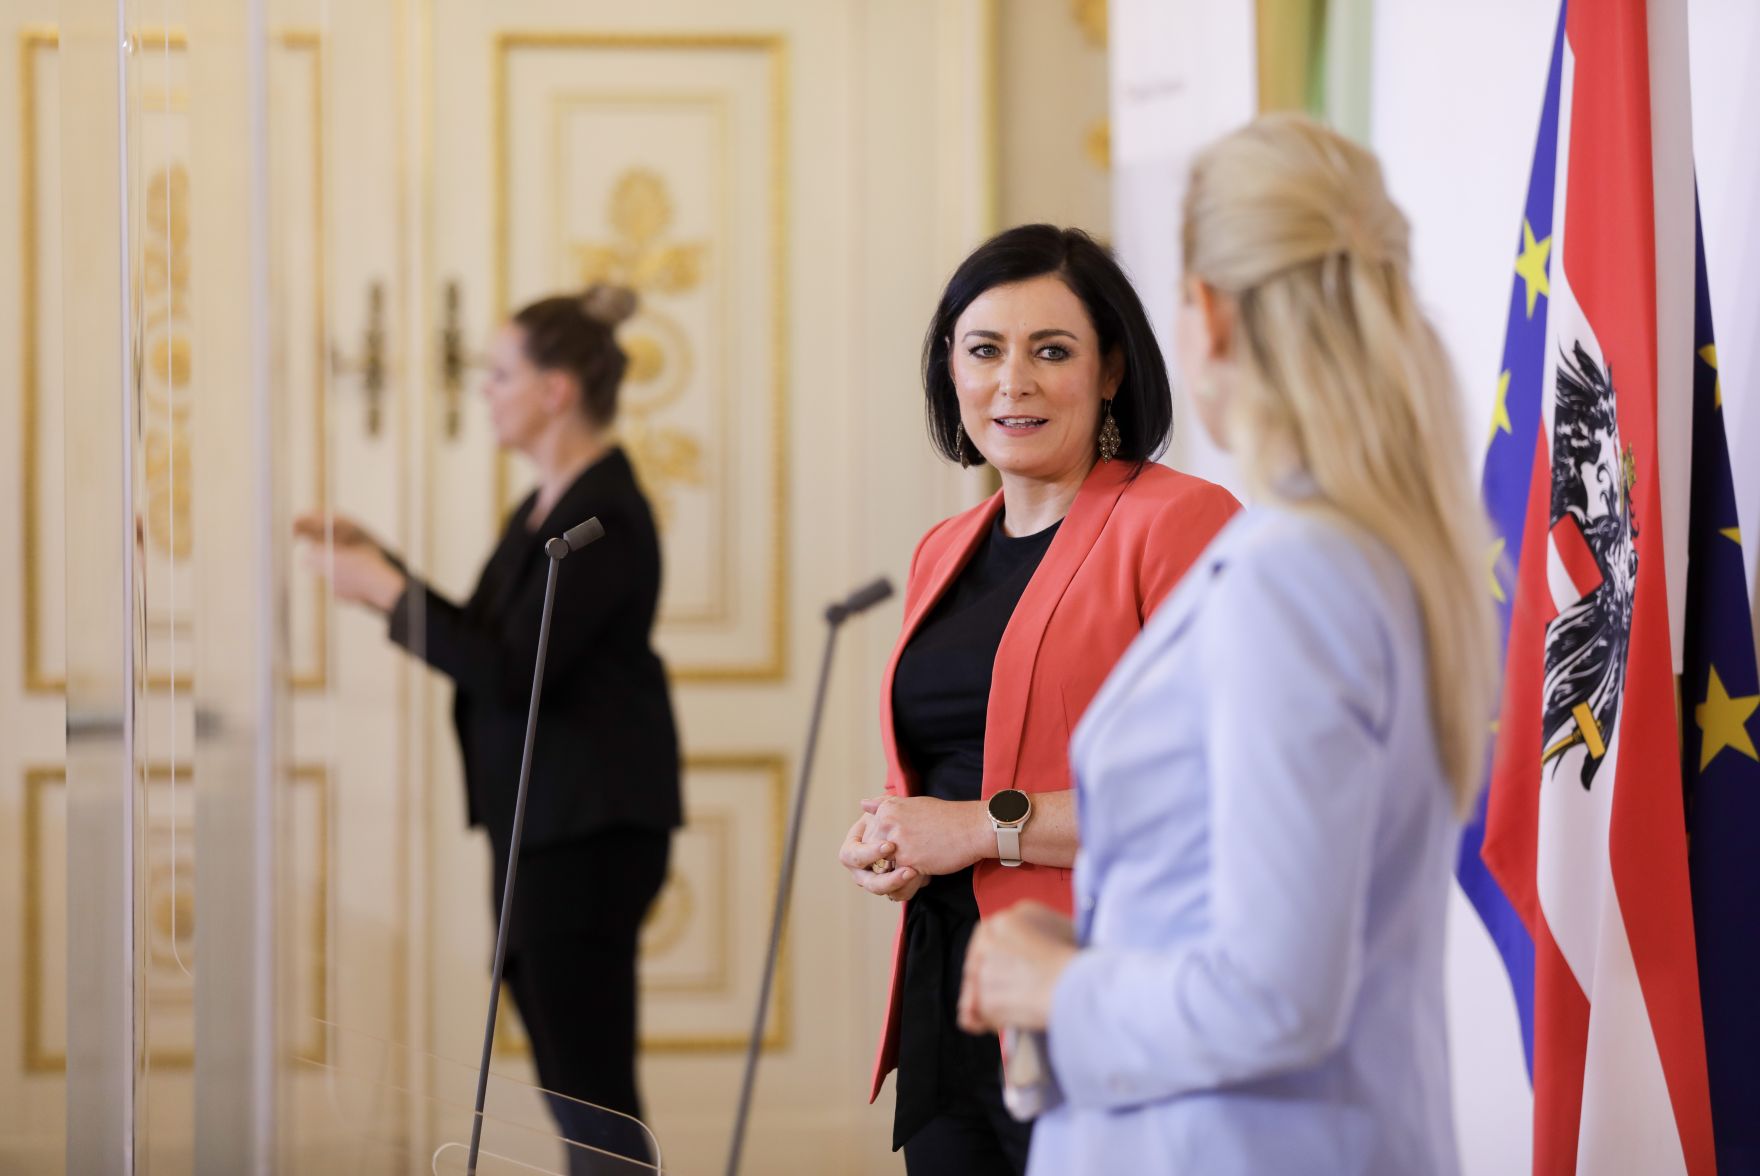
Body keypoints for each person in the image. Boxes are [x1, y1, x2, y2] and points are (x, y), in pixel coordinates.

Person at [956, 114, 1500, 1175]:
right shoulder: (1372, 547)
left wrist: (1059, 986)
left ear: (1203, 313)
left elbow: (1275, 995)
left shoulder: (1293, 575)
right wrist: (1094, 951)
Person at [838, 224, 1239, 1175]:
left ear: (1110, 372)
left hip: (1101, 1002)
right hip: (951, 994)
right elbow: (948, 763)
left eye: (1051, 352)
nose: (1012, 381)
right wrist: (894, 835)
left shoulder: (1179, 523)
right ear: (951, 368)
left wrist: (977, 829)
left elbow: (1218, 795)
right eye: (984, 350)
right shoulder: (944, 547)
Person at [295, 284, 680, 1168]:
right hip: (542, 822)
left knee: (590, 1087)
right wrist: (381, 565)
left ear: (555, 390)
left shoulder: (603, 516)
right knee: (568, 1078)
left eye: (499, 374)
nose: (484, 391)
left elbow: (512, 671)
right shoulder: (548, 505)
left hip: (586, 828)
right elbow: (490, 636)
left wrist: (387, 591)